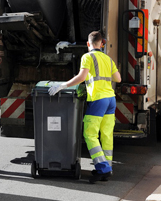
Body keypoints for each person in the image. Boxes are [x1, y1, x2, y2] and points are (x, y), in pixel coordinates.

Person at [49, 30, 121, 184]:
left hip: (98, 99)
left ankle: (103, 168)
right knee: (106, 134)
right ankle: (107, 166)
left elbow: (81, 77)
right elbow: (118, 78)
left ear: (88, 44)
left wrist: (63, 85)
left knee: (89, 134)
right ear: (102, 44)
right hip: (111, 99)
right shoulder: (108, 59)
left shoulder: (87, 56)